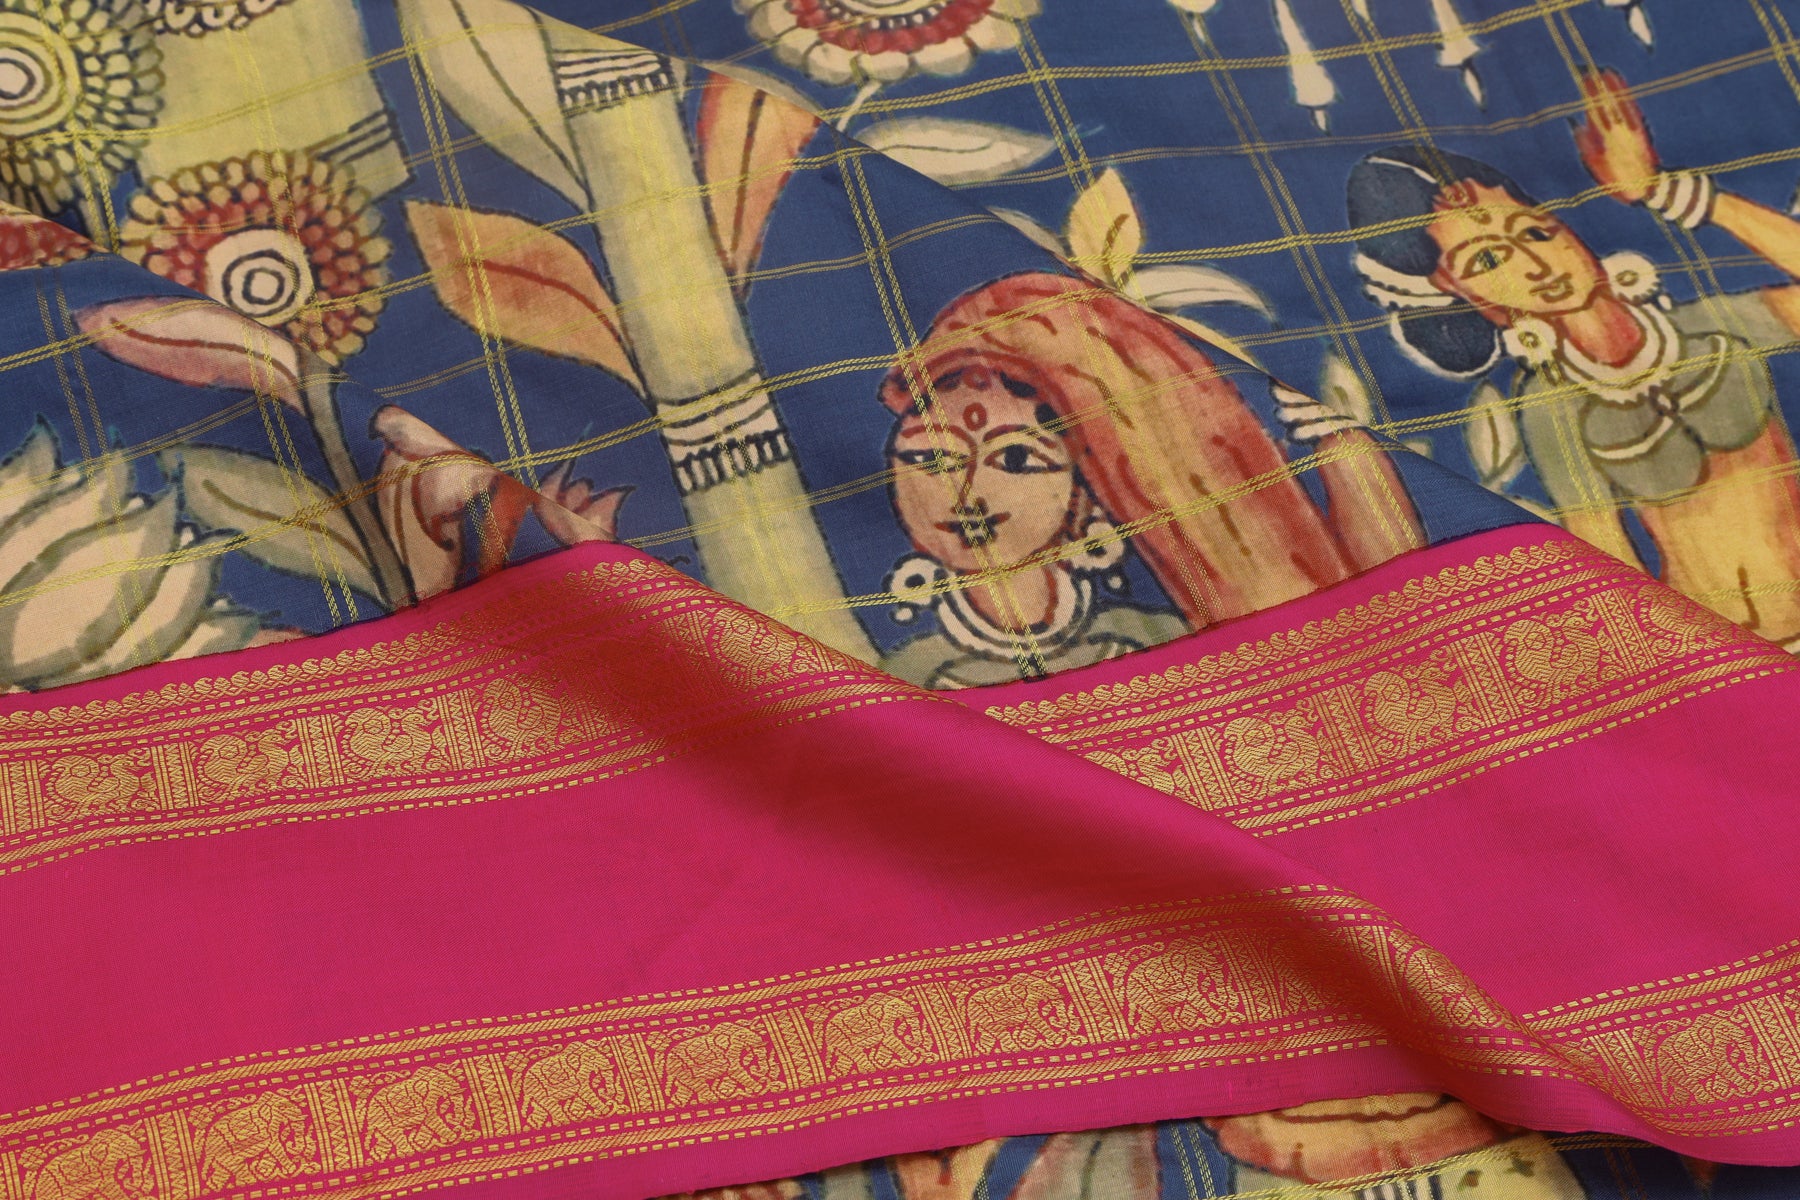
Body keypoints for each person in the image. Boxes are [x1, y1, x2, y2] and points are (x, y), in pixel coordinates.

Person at [1349, 70, 1800, 645]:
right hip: (1742, 651)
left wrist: (1659, 189)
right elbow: (1607, 556)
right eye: (1488, 261)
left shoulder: (1711, 327)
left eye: (1535, 234)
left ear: (1569, 231)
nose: (1537, 266)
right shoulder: (1549, 405)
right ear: (1468, 299)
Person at [876, 272, 1424, 688]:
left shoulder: (1152, 642)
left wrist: (1354, 466)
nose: (967, 491)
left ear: (1089, 491)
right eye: (933, 459)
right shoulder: (910, 671)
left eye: (1016, 460)